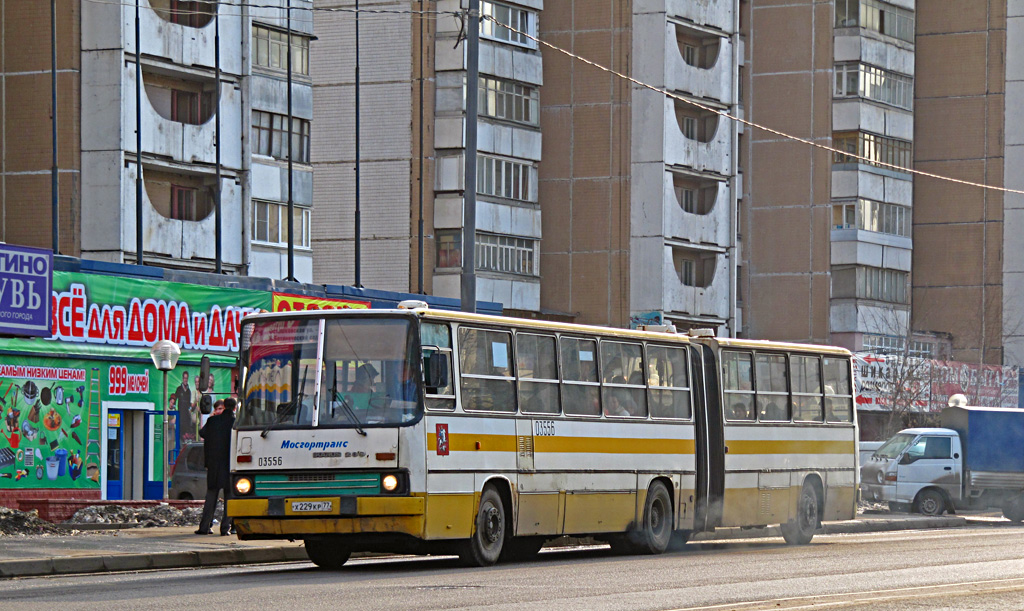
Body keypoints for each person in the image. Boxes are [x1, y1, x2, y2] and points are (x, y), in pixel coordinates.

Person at [196, 397, 235, 536]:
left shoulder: (212, 421)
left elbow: (202, 433)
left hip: (213, 466)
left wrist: (213, 417)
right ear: (235, 408)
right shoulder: (235, 423)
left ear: (224, 406)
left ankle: (204, 527)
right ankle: (225, 529)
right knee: (229, 497)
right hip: (231, 466)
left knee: (211, 495)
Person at [174, 371, 194, 443]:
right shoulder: (179, 389)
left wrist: (190, 409)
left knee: (186, 432)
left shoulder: (189, 391)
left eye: (187, 378)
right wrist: (174, 409)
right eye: (184, 378)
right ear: (183, 379)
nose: (185, 380)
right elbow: (174, 399)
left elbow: (190, 404)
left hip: (186, 416)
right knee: (180, 431)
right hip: (180, 414)